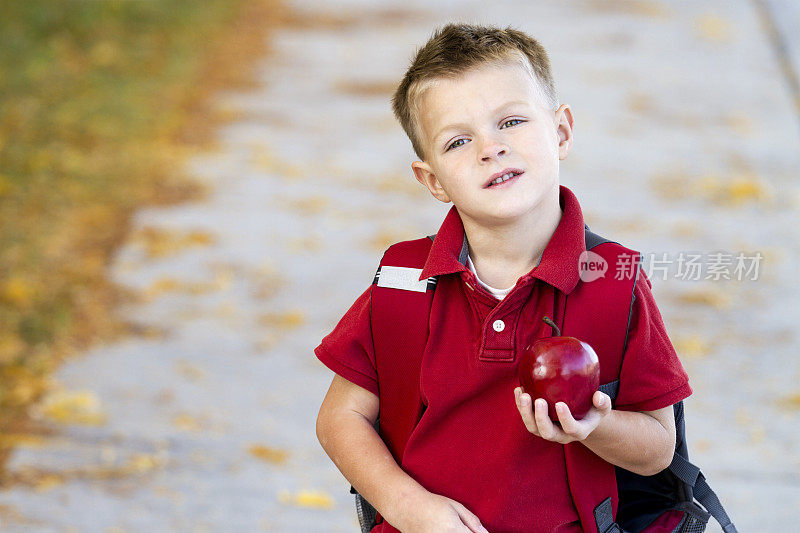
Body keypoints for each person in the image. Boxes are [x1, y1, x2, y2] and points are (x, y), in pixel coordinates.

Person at [315, 23, 691, 533]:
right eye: (458, 141)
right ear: (432, 180)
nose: (489, 149)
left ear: (560, 132)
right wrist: (408, 508)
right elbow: (341, 417)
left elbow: (657, 449)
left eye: (511, 121)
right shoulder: (404, 281)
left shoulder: (613, 282)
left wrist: (593, 426)